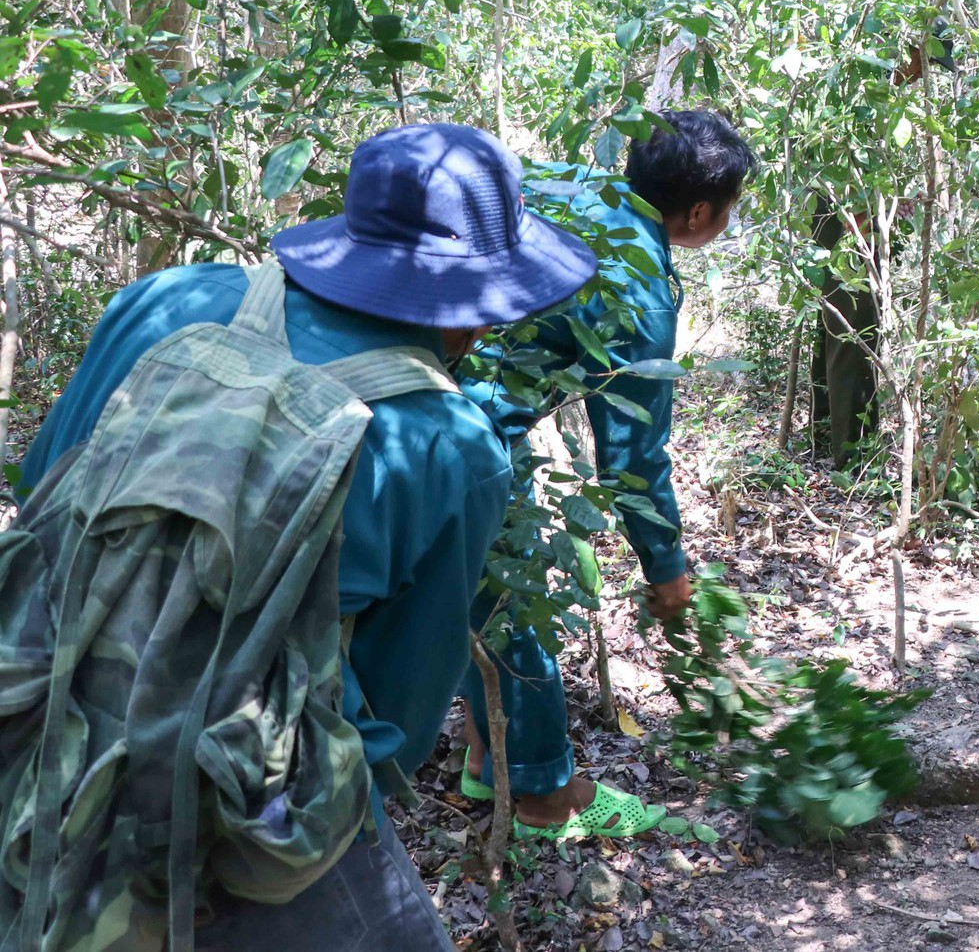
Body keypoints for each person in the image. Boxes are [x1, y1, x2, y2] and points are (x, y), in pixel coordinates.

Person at [14, 124, 596, 947]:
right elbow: (393, 727)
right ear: (477, 306)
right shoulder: (453, 445)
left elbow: (39, 490)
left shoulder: (164, 301)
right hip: (234, 789)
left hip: (36, 705)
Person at [457, 110, 756, 840]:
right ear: (696, 211)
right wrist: (669, 570)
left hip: (416, 386)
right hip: (461, 434)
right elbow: (632, 457)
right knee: (516, 600)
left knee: (476, 591)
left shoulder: (567, 183)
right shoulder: (643, 287)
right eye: (727, 209)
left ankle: (486, 756)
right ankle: (543, 802)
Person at [810, 23, 951, 467]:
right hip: (844, 221)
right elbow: (837, 155)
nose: (922, 76)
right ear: (911, 50)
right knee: (849, 329)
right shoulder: (862, 86)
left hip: (857, 216)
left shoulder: (880, 90)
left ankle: (837, 437)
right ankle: (846, 452)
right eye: (923, 64)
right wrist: (860, 219)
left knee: (848, 327)